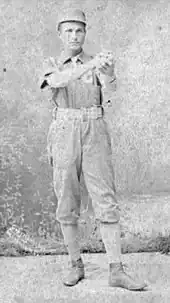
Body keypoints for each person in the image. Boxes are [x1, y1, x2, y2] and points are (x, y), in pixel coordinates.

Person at [40, 8, 147, 291]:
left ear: (85, 33)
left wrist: (109, 73)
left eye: (79, 30)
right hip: (64, 130)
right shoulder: (53, 62)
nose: (74, 36)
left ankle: (116, 269)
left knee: (105, 199)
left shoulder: (95, 62)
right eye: (69, 30)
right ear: (60, 33)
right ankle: (75, 264)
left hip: (95, 128)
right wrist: (90, 66)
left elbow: (111, 95)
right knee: (66, 199)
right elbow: (58, 81)